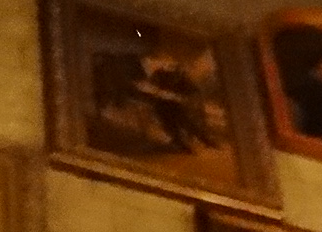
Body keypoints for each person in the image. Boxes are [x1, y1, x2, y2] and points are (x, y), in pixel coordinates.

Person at [87, 38, 228, 159]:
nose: (170, 65)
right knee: (167, 108)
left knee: (176, 108)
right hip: (138, 94)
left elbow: (167, 86)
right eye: (167, 62)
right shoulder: (132, 65)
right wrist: (169, 95)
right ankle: (185, 141)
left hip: (158, 96)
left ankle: (199, 139)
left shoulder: (164, 70)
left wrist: (172, 95)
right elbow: (140, 87)